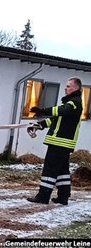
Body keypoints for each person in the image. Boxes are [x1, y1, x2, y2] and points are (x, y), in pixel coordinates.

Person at [26, 77, 83, 205]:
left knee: (49, 170)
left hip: (60, 142)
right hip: (60, 143)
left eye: (68, 86)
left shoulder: (74, 103)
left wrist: (43, 110)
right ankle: (63, 196)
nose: (65, 88)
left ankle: (43, 196)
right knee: (62, 171)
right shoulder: (69, 103)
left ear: (76, 88)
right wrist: (40, 125)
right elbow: (56, 119)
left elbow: (60, 111)